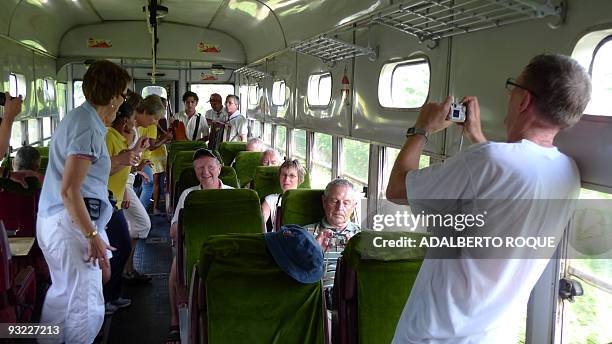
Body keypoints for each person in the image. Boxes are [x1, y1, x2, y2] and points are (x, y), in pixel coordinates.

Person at [385, 54, 591, 343]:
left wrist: (421, 129)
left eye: (513, 87)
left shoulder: (488, 161)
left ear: (524, 101)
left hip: (434, 335)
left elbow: (396, 189)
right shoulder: (568, 173)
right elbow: (507, 182)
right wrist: (478, 137)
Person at [36, 60, 130, 344]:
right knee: (84, 307)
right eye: (123, 95)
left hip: (62, 220)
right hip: (71, 224)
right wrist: (92, 235)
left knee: (63, 295)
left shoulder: (83, 119)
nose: (123, 101)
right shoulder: (87, 126)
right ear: (113, 96)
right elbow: (69, 190)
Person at [166, 148, 233, 344]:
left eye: (210, 167)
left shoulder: (235, 195)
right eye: (200, 168)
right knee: (173, 277)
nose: (205, 172)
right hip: (193, 248)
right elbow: (173, 231)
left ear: (219, 169)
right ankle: (175, 321)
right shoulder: (189, 195)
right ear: (194, 171)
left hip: (225, 247)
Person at [103, 101, 150, 314]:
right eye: (132, 118)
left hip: (116, 199)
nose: (134, 122)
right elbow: (105, 171)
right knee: (120, 247)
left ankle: (112, 295)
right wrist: (124, 159)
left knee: (121, 247)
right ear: (124, 120)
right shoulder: (108, 138)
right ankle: (106, 298)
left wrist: (137, 148)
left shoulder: (119, 138)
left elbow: (124, 165)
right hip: (106, 201)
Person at [119, 96, 153, 283]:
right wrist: (124, 189)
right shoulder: (123, 133)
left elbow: (125, 162)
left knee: (133, 226)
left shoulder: (130, 132)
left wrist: (138, 168)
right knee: (142, 224)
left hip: (126, 183)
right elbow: (114, 166)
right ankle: (124, 270)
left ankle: (128, 268)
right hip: (121, 187)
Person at [304, 178, 361, 288]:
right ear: (324, 202)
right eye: (334, 201)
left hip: (354, 295)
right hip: (318, 295)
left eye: (346, 203)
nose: (340, 208)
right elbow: (294, 271)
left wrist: (356, 256)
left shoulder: (362, 236)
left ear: (354, 206)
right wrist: (314, 252)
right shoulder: (304, 234)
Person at [135, 95, 171, 211]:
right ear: (146, 112)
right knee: (148, 185)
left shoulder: (139, 128)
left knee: (139, 185)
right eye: (155, 118)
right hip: (143, 159)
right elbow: (151, 146)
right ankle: (142, 210)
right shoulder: (141, 128)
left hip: (141, 161)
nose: (155, 122)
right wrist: (165, 139)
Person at [261, 159, 305, 232]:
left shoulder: (306, 201)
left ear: (299, 179)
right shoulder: (271, 199)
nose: (286, 179)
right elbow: (260, 223)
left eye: (292, 175)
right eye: (284, 175)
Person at [150, 97, 172, 215]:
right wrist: (166, 138)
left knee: (158, 182)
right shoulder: (158, 121)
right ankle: (155, 208)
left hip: (160, 153)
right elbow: (155, 143)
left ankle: (156, 206)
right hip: (156, 153)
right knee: (157, 183)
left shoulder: (160, 120)